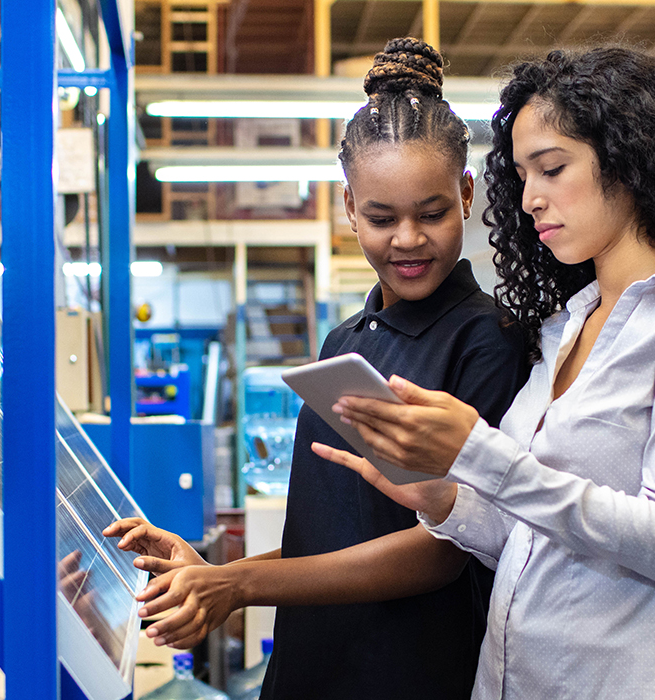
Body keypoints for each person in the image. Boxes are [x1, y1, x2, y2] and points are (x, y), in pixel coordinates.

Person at [315, 47, 655, 699]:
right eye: (522, 175)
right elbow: (524, 531)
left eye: (553, 169)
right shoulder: (565, 327)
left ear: (628, 159)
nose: (531, 198)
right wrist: (441, 497)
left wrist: (478, 452)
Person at [102, 38, 530, 700]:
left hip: (410, 679)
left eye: (433, 212)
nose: (408, 238)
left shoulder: (486, 342)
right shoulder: (343, 344)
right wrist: (216, 570)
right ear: (350, 209)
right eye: (382, 217)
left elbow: (443, 550)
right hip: (311, 672)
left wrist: (236, 586)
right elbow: (328, 538)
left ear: (467, 194)